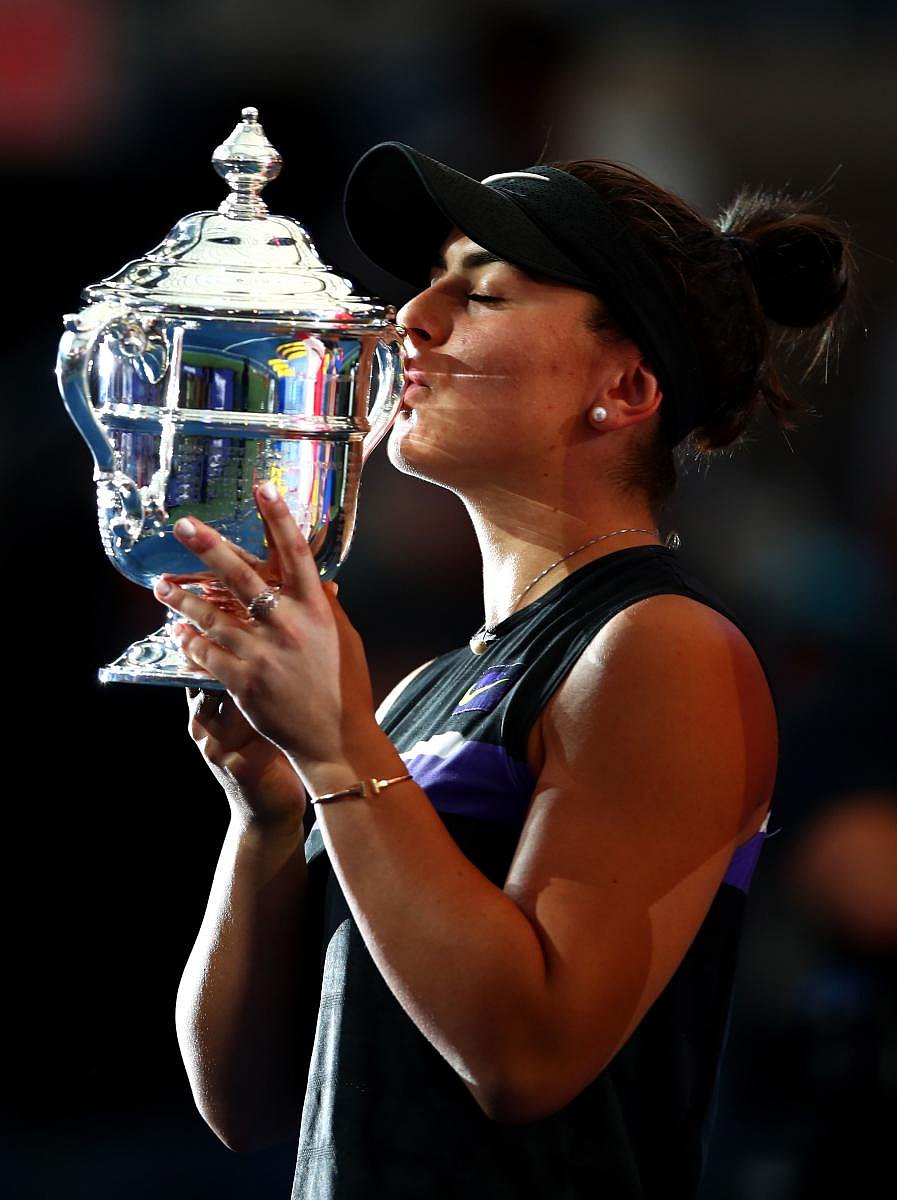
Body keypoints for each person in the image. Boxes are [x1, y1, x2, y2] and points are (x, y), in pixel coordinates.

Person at [156, 144, 854, 1198]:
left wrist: (341, 748)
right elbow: (245, 1102)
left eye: (479, 293)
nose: (410, 321)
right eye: (428, 284)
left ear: (624, 386)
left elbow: (526, 1057)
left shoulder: (663, 648)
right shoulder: (416, 695)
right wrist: (265, 815)